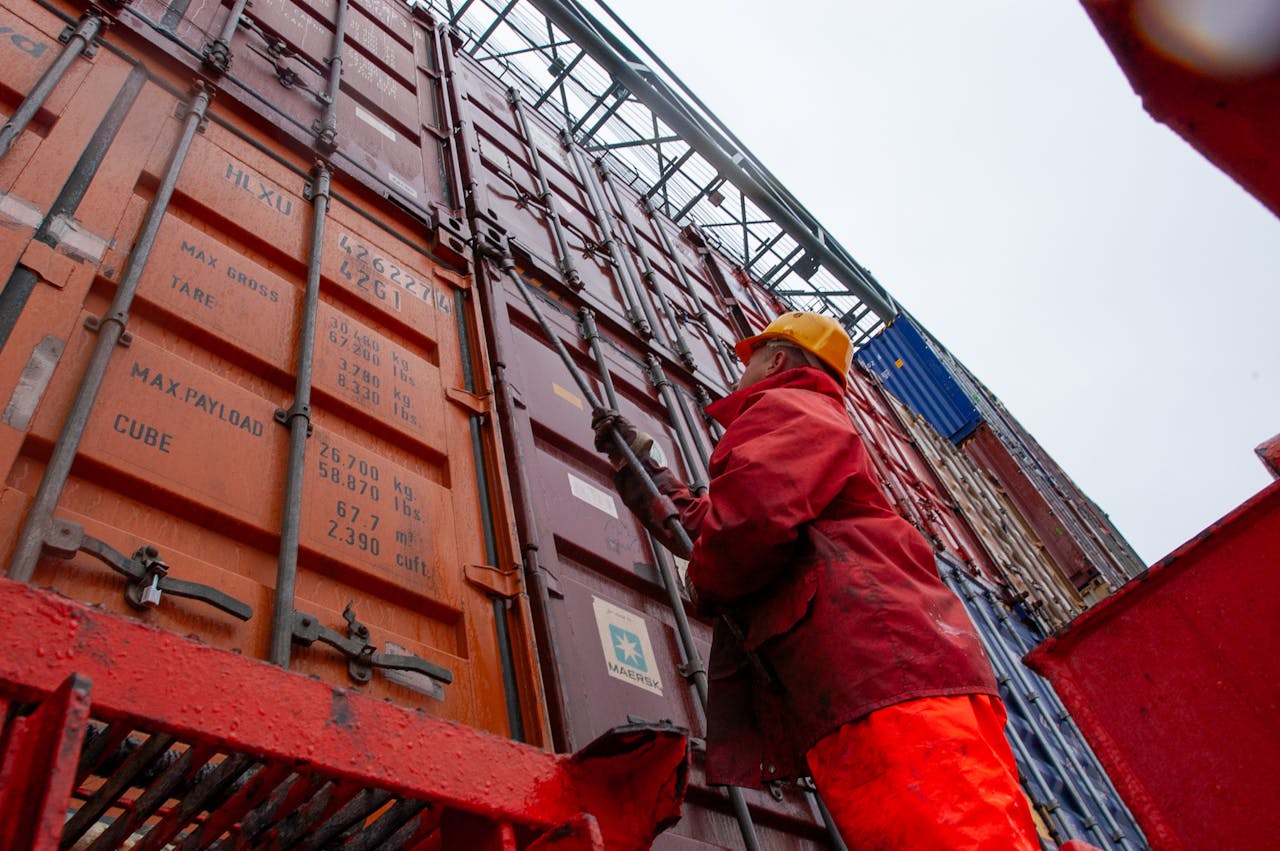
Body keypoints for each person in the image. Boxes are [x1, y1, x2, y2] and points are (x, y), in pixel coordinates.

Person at [592, 311, 1041, 850]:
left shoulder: (788, 407)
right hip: (897, 678)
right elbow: (729, 529)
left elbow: (747, 529)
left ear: (777, 360)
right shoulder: (814, 425)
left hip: (884, 677)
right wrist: (646, 476)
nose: (741, 372)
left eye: (750, 358)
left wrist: (704, 585)